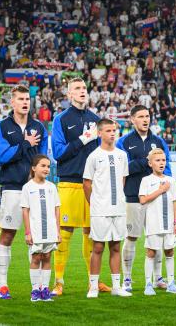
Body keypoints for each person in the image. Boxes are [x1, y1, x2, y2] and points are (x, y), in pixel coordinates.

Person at [51, 77, 106, 296]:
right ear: (69, 95)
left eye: (84, 87)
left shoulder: (96, 119)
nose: (82, 91)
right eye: (77, 88)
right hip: (69, 182)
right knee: (64, 233)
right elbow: (58, 153)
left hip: (92, 184)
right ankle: (58, 282)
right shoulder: (61, 119)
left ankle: (94, 282)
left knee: (91, 233)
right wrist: (82, 139)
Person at [0, 85, 48, 300]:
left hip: (34, 188)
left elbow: (42, 158)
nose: (25, 102)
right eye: (21, 99)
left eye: (28, 99)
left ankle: (37, 287)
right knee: (7, 234)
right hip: (13, 187)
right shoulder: (2, 126)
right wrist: (25, 144)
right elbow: (2, 156)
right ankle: (3, 286)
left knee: (36, 238)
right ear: (12, 103)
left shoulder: (39, 127)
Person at [116, 105, 173, 292]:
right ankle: (128, 279)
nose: (145, 119)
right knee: (131, 237)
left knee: (156, 237)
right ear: (132, 119)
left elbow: (167, 168)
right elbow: (123, 168)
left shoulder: (158, 141)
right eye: (140, 116)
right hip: (133, 196)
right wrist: (145, 162)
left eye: (147, 116)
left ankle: (158, 278)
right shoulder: (124, 142)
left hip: (156, 198)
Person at [83, 118, 131, 298]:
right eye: (109, 130)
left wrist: (118, 198)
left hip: (118, 208)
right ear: (100, 133)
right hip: (100, 210)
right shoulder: (94, 156)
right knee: (97, 247)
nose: (112, 133)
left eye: (114, 130)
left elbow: (123, 180)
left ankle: (117, 287)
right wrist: (94, 203)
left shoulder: (122, 155)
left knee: (116, 247)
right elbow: (86, 184)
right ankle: (93, 287)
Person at [139, 148, 176, 295]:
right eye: (158, 160)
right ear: (150, 163)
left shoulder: (171, 180)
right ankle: (148, 284)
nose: (161, 163)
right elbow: (143, 199)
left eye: (163, 160)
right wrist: (161, 190)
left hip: (169, 223)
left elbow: (175, 202)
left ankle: (171, 283)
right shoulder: (146, 180)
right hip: (153, 223)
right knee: (151, 252)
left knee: (170, 251)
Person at [21, 155, 60, 302]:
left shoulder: (51, 187)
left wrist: (58, 231)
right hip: (36, 230)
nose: (46, 169)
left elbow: (57, 209)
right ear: (33, 168)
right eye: (43, 166)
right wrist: (28, 233)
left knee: (47, 257)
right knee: (36, 257)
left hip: (50, 230)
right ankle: (35, 290)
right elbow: (25, 211)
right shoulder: (28, 187)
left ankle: (45, 289)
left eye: (48, 166)